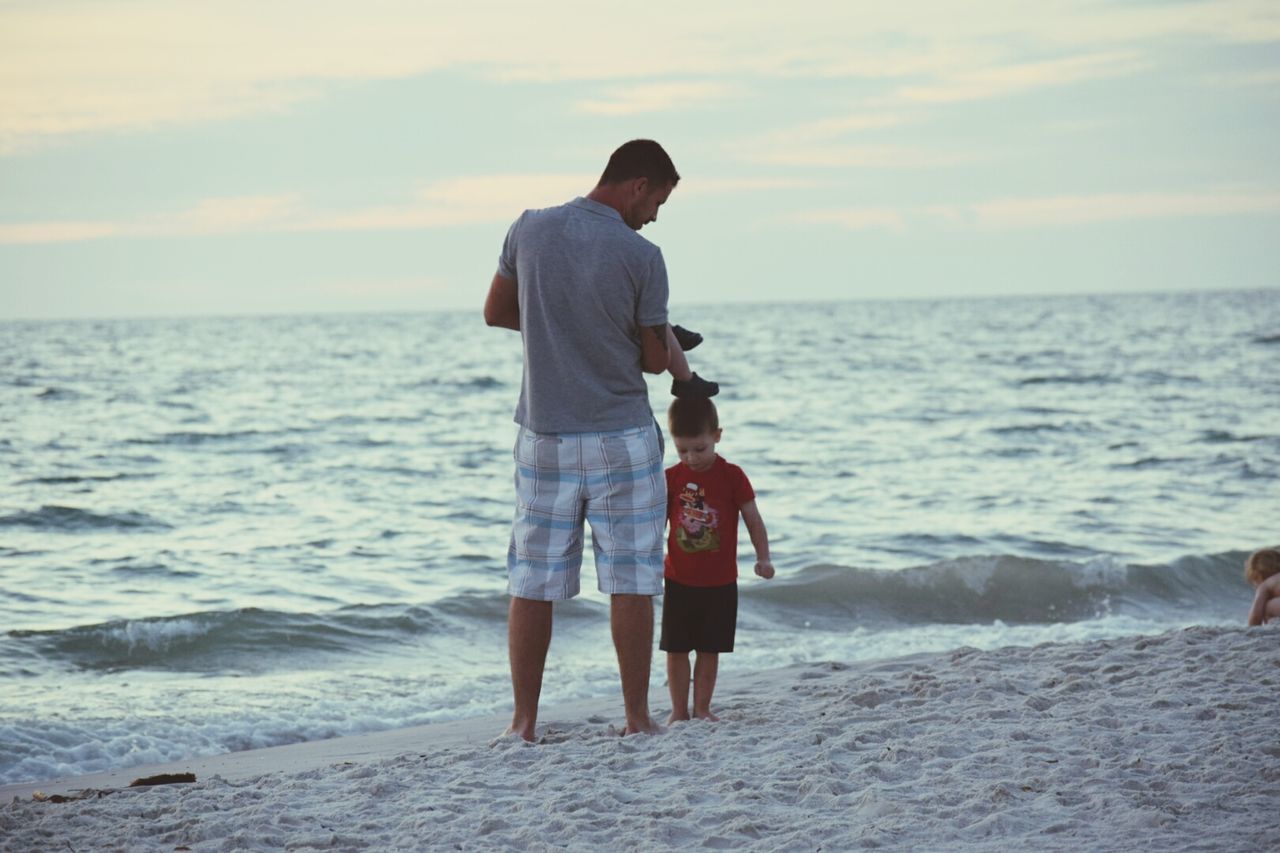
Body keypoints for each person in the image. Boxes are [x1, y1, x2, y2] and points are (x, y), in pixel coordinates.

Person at [484, 139, 708, 741]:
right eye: (657, 200)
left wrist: (562, 323)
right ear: (638, 185)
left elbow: (496, 312)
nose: (655, 214)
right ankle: (637, 718)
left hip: (545, 436)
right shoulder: (642, 253)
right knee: (631, 578)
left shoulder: (527, 229)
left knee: (532, 581)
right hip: (622, 438)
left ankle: (523, 724)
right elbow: (657, 362)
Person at [660, 396, 774, 723]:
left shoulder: (732, 476)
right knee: (676, 649)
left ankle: (703, 708)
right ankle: (679, 711)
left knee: (710, 649)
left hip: (721, 582)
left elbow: (753, 518)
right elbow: (657, 524)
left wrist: (763, 557)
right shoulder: (671, 478)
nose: (691, 458)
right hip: (678, 579)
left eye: (700, 448)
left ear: (717, 436)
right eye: (682, 450)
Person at [1245, 546, 1280, 626]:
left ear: (1258, 575)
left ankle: (1272, 635)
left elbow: (1255, 616)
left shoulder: (1265, 585)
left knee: (1268, 607)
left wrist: (1250, 632)